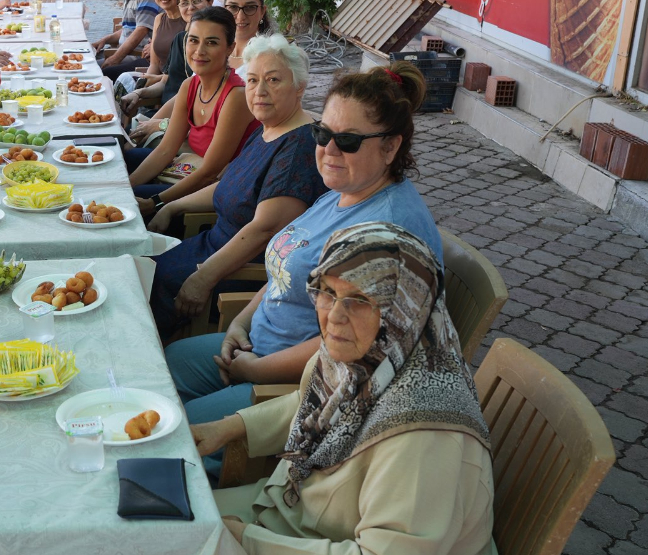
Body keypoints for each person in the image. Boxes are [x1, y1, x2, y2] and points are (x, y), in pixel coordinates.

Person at [165, 61, 443, 427]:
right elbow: (291, 262)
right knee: (163, 368)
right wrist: (241, 324)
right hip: (258, 344)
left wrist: (258, 371)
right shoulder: (343, 190)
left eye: (348, 140)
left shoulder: (386, 232)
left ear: (391, 147)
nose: (329, 150)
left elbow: (346, 348)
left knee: (176, 430)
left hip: (303, 388)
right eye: (322, 133)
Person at [194, 222, 496, 554]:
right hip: (292, 511)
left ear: (406, 308)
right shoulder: (370, 354)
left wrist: (249, 540)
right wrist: (227, 427)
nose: (334, 316)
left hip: (310, 538)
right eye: (328, 292)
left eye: (360, 299)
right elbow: (313, 404)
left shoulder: (424, 432)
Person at [145, 35, 328, 339]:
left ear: (300, 87)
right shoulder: (269, 128)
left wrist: (204, 278)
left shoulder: (299, 148)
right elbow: (229, 186)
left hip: (241, 267)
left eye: (273, 80)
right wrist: (170, 205)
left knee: (149, 281)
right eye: (253, 80)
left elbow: (264, 231)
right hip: (214, 244)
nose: (260, 91)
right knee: (140, 263)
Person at [126, 7, 257, 213]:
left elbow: (209, 173)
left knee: (131, 200)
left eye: (212, 42)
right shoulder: (190, 85)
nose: (199, 51)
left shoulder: (236, 96)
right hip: (187, 169)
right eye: (193, 40)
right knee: (123, 163)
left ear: (230, 48)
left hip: (214, 192)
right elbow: (166, 150)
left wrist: (156, 202)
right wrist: (124, 186)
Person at [131, 0, 274, 145]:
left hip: (223, 148)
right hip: (187, 134)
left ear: (262, 11)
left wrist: (163, 125)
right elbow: (188, 94)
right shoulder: (213, 48)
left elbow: (239, 124)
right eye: (233, 7)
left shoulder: (266, 59)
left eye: (250, 8)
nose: (240, 16)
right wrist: (148, 125)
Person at [119, 0, 208, 121]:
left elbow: (190, 96)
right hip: (167, 110)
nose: (190, 7)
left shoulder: (212, 46)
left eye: (197, 1)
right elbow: (167, 80)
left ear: (210, 2)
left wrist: (157, 123)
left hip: (183, 119)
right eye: (184, 3)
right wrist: (139, 93)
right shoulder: (180, 39)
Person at [113, 0, 185, 107]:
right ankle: (121, 122)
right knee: (124, 83)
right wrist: (145, 84)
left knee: (122, 79)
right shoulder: (159, 19)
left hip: (176, 86)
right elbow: (153, 64)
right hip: (159, 79)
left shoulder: (188, 22)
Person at [92, 0, 161, 80]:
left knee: (94, 72)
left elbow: (141, 30)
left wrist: (115, 59)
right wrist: (104, 40)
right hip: (127, 52)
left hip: (139, 56)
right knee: (86, 61)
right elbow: (128, 30)